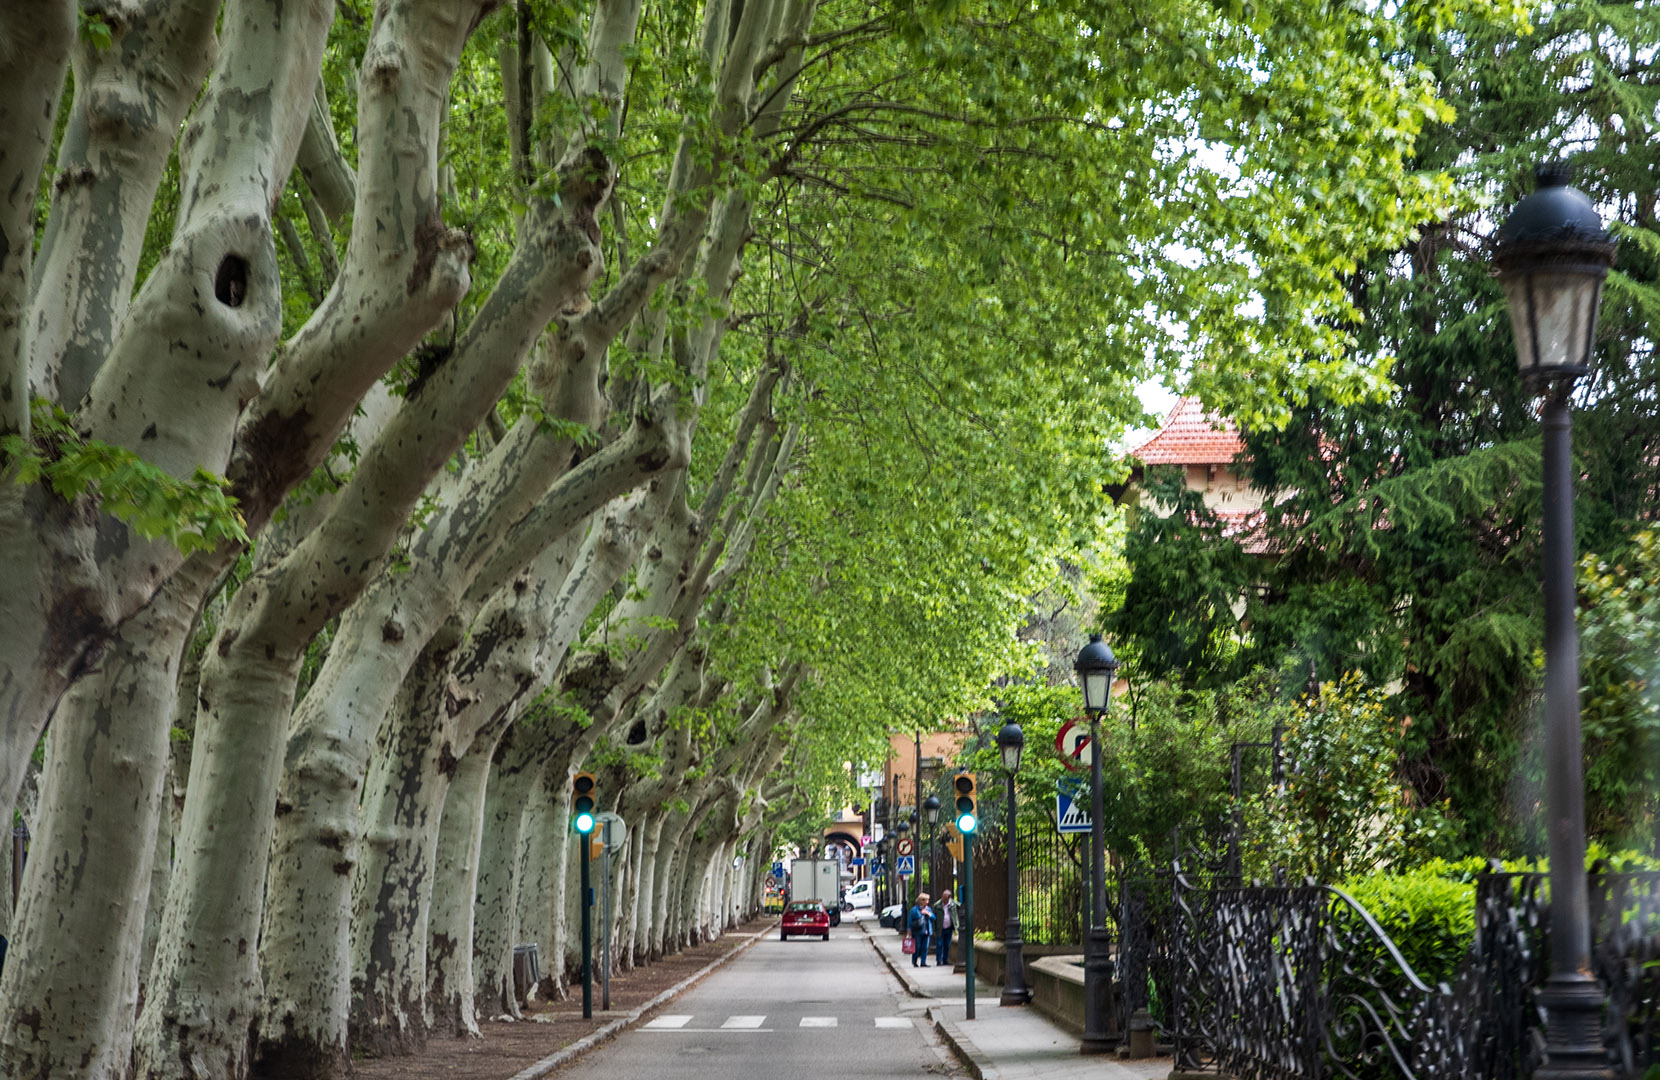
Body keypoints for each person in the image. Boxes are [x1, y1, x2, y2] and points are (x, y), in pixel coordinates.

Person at [907, 890, 934, 967]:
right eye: (926, 900)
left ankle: (923, 962)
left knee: (925, 947)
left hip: (927, 931)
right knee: (917, 947)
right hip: (917, 932)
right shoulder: (914, 910)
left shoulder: (928, 909)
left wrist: (928, 914)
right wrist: (909, 931)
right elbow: (910, 920)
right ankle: (914, 961)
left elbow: (933, 918)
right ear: (922, 901)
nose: (928, 902)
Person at [934, 890, 954, 966]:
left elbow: (960, 906)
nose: (943, 899)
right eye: (943, 897)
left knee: (947, 945)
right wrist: (934, 928)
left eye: (945, 898)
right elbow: (934, 918)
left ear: (949, 898)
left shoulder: (952, 904)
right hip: (940, 928)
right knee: (939, 944)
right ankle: (939, 960)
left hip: (949, 928)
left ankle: (945, 960)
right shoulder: (937, 905)